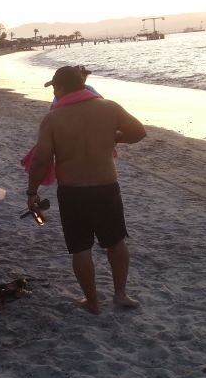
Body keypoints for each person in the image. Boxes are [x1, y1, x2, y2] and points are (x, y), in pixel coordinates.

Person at [26, 66, 146, 314]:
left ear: (60, 88)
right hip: (106, 187)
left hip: (73, 191)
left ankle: (92, 301)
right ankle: (120, 294)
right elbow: (138, 132)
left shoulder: (53, 119)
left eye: (55, 88)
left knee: (81, 248)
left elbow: (41, 159)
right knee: (115, 242)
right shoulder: (109, 107)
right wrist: (112, 138)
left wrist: (32, 191)